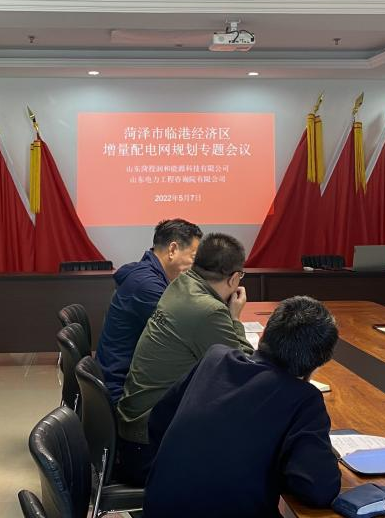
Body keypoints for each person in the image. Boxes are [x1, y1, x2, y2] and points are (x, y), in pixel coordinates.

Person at [144, 296, 341, 518]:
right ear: (317, 365)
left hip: (156, 508)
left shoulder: (214, 358)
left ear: (264, 334)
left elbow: (158, 419)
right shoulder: (304, 398)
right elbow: (318, 490)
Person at [115, 232, 254, 486]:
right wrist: (234, 318)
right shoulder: (208, 310)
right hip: (149, 449)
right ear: (235, 278)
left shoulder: (181, 284)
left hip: (135, 431)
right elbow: (244, 371)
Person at [96, 218, 202, 403]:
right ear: (172, 250)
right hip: (124, 392)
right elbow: (186, 336)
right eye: (193, 257)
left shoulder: (147, 274)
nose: (195, 266)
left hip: (128, 379)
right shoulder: (146, 286)